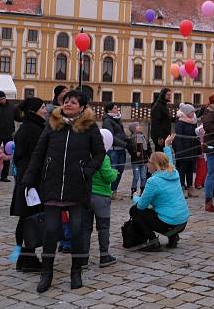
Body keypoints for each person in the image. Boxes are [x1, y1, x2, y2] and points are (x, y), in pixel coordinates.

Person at [22, 90, 105, 293]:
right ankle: (46, 273)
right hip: (52, 185)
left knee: (76, 230)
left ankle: (76, 271)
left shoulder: (90, 127)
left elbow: (100, 153)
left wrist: (86, 171)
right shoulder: (52, 124)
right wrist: (28, 179)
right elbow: (39, 154)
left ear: (83, 107)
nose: (68, 104)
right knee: (51, 230)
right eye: (66, 101)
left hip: (76, 186)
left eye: (74, 102)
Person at [130, 132, 189, 251]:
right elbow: (169, 161)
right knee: (155, 211)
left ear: (155, 165)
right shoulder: (173, 172)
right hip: (183, 221)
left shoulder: (153, 181)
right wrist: (167, 145)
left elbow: (141, 206)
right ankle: (173, 237)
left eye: (149, 162)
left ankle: (153, 242)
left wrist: (135, 196)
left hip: (169, 222)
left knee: (135, 211)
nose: (147, 165)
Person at [10, 97, 47, 272]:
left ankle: (23, 258)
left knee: (26, 218)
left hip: (27, 179)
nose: (45, 110)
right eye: (42, 107)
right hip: (31, 181)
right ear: (33, 110)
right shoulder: (32, 129)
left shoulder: (31, 126)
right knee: (30, 219)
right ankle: (27, 258)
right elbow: (36, 157)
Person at [84, 131, 117, 268]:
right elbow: (108, 176)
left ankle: (83, 258)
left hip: (86, 195)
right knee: (103, 227)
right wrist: (114, 173)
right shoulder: (104, 157)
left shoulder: (85, 154)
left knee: (85, 228)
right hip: (101, 197)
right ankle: (104, 255)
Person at [102, 103, 129, 199]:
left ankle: (114, 191)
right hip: (113, 150)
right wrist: (125, 144)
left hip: (121, 150)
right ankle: (109, 191)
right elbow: (111, 136)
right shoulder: (107, 121)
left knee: (120, 171)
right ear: (109, 110)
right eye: (115, 108)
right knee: (113, 171)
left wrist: (129, 141)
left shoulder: (118, 120)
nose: (117, 109)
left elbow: (122, 134)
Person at [174, 104, 200, 198]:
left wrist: (198, 149)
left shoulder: (193, 122)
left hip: (192, 150)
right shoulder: (180, 122)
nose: (193, 113)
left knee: (190, 170)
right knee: (182, 170)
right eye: (191, 112)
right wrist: (180, 151)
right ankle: (182, 188)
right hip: (183, 150)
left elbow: (196, 136)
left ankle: (190, 187)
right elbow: (178, 138)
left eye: (193, 111)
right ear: (186, 113)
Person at [127, 123, 152, 195]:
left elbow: (148, 148)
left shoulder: (144, 137)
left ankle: (143, 190)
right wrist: (135, 153)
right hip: (136, 161)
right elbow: (130, 148)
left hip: (144, 161)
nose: (139, 127)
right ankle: (133, 190)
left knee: (143, 177)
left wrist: (150, 157)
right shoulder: (131, 138)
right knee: (136, 177)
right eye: (137, 126)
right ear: (134, 129)